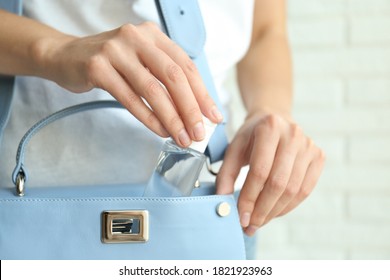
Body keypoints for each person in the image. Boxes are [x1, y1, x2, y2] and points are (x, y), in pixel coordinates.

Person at [0, 0, 325, 257]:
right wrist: (54, 49)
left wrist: (270, 110)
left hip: (207, 208)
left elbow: (265, 32)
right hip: (34, 211)